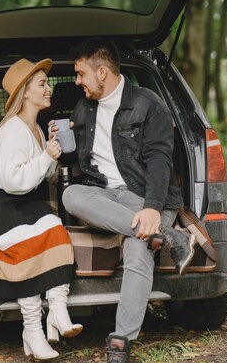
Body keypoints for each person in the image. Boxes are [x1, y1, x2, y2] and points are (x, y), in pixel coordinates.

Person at [58, 38, 196, 363]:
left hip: (146, 195)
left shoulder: (149, 105)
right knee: (70, 194)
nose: (77, 82)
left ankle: (120, 344)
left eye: (80, 74)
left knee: (137, 249)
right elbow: (74, 159)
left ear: (102, 72)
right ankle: (170, 236)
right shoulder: (83, 108)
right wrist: (57, 144)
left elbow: (161, 161)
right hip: (105, 195)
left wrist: (151, 207)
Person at [0, 58, 82, 360]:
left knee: (56, 230)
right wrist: (46, 155)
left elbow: (41, 176)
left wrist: (50, 149)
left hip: (18, 200)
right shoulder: (12, 129)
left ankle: (58, 309)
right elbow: (14, 181)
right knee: (27, 246)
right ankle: (32, 330)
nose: (49, 89)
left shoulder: (34, 127)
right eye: (42, 84)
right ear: (25, 92)